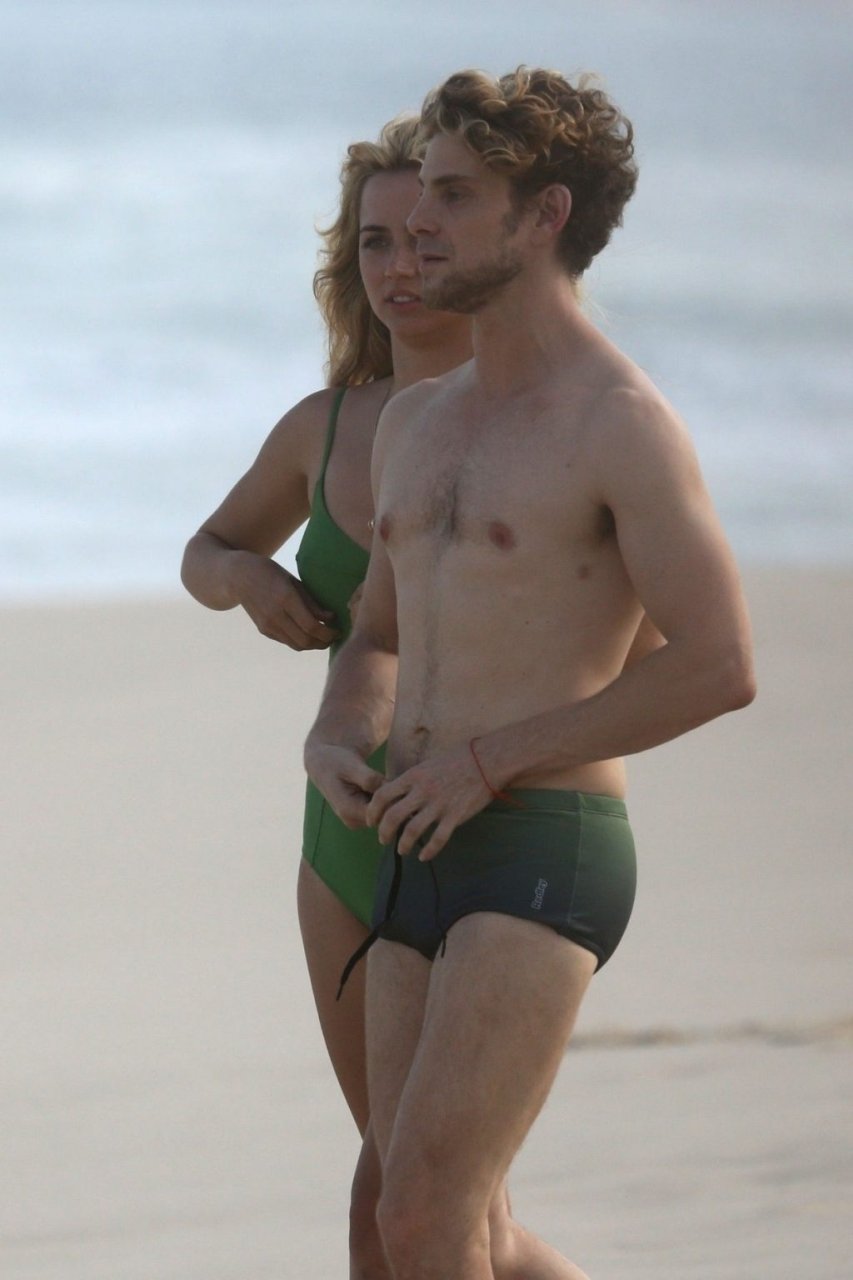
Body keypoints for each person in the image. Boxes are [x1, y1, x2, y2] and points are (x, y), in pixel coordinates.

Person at [304, 67, 756, 1280]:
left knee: (424, 1218)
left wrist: (488, 760)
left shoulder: (618, 422)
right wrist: (339, 728)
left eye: (455, 195)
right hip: (410, 841)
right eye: (422, 192)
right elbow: (377, 633)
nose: (421, 221)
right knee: (429, 1223)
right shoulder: (416, 423)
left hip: (541, 843)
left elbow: (718, 664)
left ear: (543, 215)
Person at [181, 114, 603, 1280]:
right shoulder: (329, 427)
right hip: (346, 824)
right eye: (373, 241)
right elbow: (208, 548)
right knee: (394, 1196)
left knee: (435, 1208)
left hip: (488, 817)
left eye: (422, 234)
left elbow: (641, 635)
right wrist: (250, 581)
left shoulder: (548, 422)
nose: (399, 265)